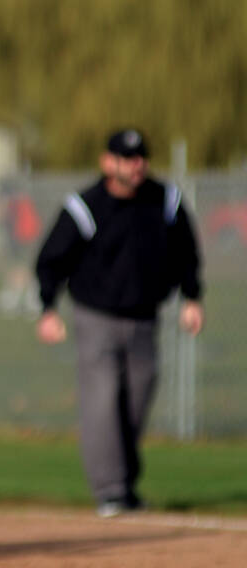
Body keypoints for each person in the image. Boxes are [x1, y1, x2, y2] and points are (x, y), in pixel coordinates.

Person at [34, 128, 204, 518]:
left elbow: (186, 252)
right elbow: (51, 259)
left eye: (141, 156)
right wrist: (48, 308)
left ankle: (124, 486)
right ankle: (110, 491)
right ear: (107, 162)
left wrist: (191, 297)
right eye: (126, 157)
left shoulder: (164, 201)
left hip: (145, 319)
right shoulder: (86, 206)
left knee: (135, 405)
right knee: (102, 401)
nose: (136, 164)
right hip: (96, 317)